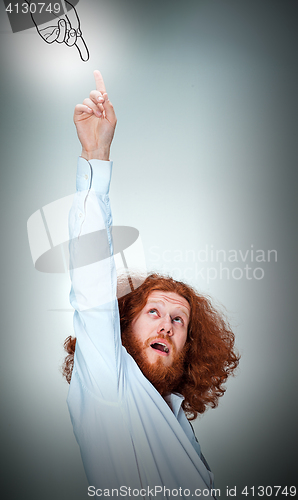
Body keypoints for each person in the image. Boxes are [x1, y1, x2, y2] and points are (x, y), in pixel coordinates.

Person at [63, 70, 239, 498]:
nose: (166, 326)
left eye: (180, 321)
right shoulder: (109, 383)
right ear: (123, 325)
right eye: (155, 312)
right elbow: (90, 276)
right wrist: (96, 154)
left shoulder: (183, 430)